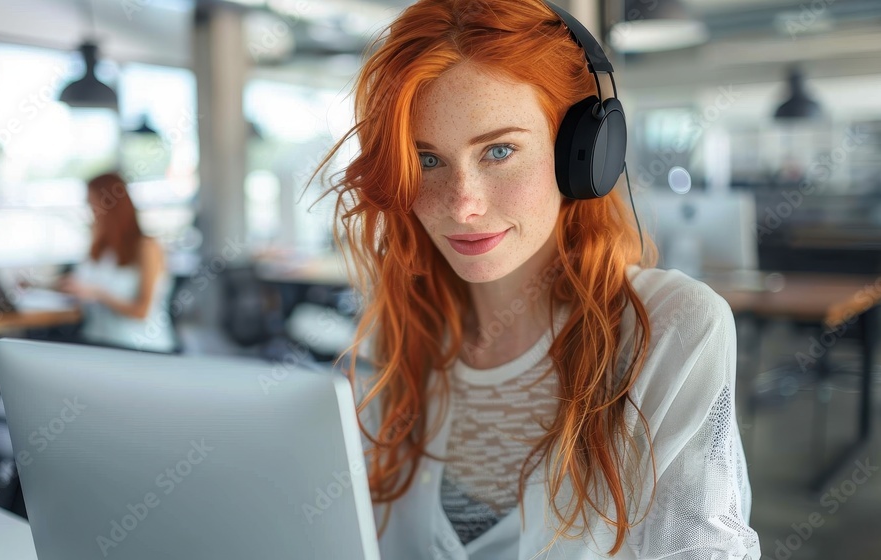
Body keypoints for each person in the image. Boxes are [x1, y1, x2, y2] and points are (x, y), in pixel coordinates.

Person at [314, 1, 762, 558]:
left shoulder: (671, 329)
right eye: (427, 161)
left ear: (583, 156)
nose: (462, 205)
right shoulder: (400, 331)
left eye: (499, 151)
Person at [56, 172, 177, 353]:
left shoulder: (146, 247)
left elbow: (142, 311)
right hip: (96, 343)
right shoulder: (99, 250)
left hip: (139, 349)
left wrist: (98, 294)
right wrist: (39, 285)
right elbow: (82, 289)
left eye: (92, 205)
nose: (91, 214)